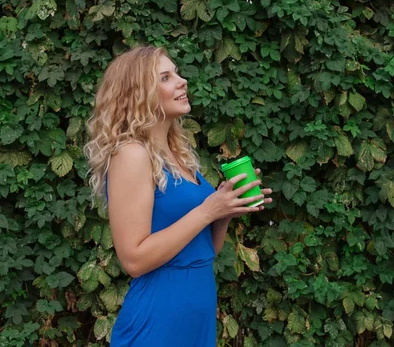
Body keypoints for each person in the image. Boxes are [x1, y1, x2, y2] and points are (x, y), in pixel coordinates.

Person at [84, 46, 273, 346]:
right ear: (138, 94)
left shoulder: (178, 156)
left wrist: (224, 213)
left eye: (177, 73)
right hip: (158, 321)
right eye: (166, 77)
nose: (182, 81)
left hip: (195, 317)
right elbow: (133, 259)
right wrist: (208, 211)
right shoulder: (132, 154)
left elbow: (204, 251)